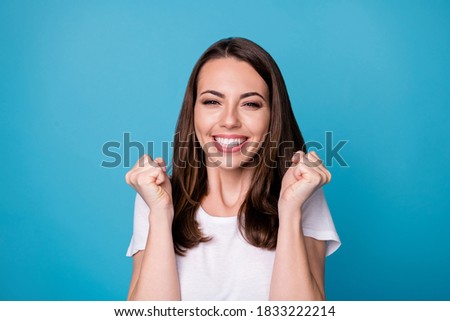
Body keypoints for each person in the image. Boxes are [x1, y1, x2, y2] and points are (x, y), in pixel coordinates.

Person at [125, 37, 341, 301]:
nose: (229, 121)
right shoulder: (156, 198)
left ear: (273, 115)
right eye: (212, 102)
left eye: (250, 104)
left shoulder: (301, 195)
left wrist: (290, 209)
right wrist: (160, 214)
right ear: (192, 111)